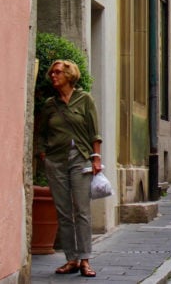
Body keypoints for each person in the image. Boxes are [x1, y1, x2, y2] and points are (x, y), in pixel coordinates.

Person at [37, 59, 102, 278]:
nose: (53, 76)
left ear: (69, 75)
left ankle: (85, 259)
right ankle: (71, 259)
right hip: (56, 160)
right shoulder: (50, 105)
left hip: (80, 158)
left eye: (57, 73)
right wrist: (44, 153)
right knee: (63, 212)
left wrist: (96, 158)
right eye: (52, 73)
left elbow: (94, 131)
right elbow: (41, 132)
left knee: (81, 210)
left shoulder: (84, 100)